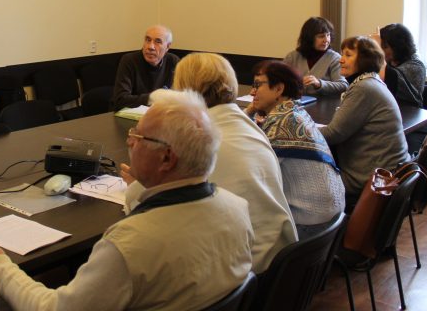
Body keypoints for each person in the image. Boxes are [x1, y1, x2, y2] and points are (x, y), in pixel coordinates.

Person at [0, 89, 253, 311]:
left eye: (139, 136)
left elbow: (53, 308)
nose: (130, 141)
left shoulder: (127, 245)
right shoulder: (237, 209)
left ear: (167, 158)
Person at [167, 53, 297, 271]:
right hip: (280, 257)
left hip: (250, 268)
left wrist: (137, 186)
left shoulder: (201, 140)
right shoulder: (248, 125)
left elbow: (164, 202)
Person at [249, 60, 345, 238]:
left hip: (311, 223)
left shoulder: (282, 123)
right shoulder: (294, 112)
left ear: (279, 89)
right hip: (330, 217)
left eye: (257, 85)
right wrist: (250, 110)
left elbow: (256, 174)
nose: (252, 92)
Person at [319, 36, 410, 206]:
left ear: (364, 60)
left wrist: (300, 128)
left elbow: (333, 134)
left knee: (303, 181)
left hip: (371, 180)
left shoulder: (363, 88)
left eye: (348, 55)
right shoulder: (371, 81)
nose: (341, 60)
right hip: (388, 173)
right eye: (342, 54)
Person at [111, 25, 180, 110]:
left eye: (158, 42)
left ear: (167, 46)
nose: (150, 47)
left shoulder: (173, 61)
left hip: (161, 114)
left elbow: (181, 95)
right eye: (148, 40)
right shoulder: (129, 60)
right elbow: (120, 100)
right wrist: (154, 98)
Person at [284, 17, 347, 96]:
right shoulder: (292, 57)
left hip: (323, 102)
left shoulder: (334, 58)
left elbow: (343, 85)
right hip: (297, 101)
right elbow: (280, 81)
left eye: (328, 35)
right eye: (321, 36)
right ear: (309, 38)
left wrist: (319, 84)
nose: (326, 40)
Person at [377, 23, 426, 108]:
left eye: (384, 47)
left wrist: (376, 50)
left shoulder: (416, 66)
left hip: (408, 113)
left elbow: (390, 77)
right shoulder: (390, 62)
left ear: (398, 47)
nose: (380, 51)